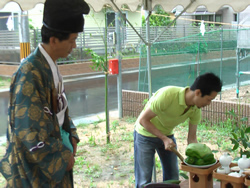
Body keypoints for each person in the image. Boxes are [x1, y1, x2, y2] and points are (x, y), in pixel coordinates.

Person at [0, 0, 89, 187]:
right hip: (36, 173)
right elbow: (29, 132)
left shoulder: (50, 65)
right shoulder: (30, 73)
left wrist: (71, 132)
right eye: (72, 40)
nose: (74, 46)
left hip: (56, 153)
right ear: (54, 40)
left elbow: (60, 108)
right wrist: (62, 156)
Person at [134, 72, 222, 188]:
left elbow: (192, 139)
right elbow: (143, 120)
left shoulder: (196, 109)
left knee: (173, 179)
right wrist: (164, 138)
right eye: (209, 99)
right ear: (198, 92)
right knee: (144, 181)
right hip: (145, 134)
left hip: (167, 135)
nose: (209, 104)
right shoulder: (168, 95)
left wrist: (197, 161)